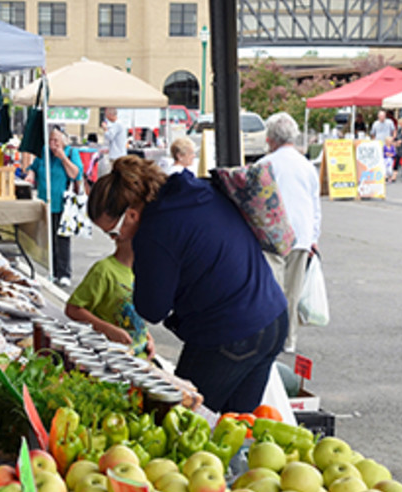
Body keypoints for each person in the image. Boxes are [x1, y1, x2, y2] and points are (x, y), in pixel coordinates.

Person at [86, 156, 287, 413]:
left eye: (114, 233)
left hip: (229, 334)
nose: (117, 240)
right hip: (273, 319)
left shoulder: (154, 231)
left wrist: (140, 260)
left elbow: (152, 308)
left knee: (178, 416)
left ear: (132, 215)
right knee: (236, 427)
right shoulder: (197, 191)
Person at [258, 112, 321, 354]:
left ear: (271, 138)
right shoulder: (307, 166)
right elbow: (315, 205)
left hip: (272, 235)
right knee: (292, 292)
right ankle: (289, 339)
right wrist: (314, 236)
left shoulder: (264, 165)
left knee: (271, 290)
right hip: (302, 234)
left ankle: (269, 338)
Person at [65, 229, 155, 358]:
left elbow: (136, 315)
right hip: (112, 356)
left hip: (141, 356)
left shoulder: (144, 271)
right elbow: (73, 309)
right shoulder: (103, 270)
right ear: (118, 235)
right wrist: (107, 329)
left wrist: (148, 338)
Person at [24, 128, 83, 287]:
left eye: (56, 140)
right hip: (45, 203)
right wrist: (31, 174)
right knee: (49, 238)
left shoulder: (70, 153)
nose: (53, 144)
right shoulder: (44, 152)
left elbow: (76, 174)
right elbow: (34, 166)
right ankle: (54, 271)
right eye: (50, 140)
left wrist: (62, 157)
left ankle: (64, 273)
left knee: (62, 239)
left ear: (63, 141)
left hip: (63, 203)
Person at [101, 107, 127, 173]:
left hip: (116, 155)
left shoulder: (117, 124)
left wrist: (105, 129)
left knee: (115, 175)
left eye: (106, 115)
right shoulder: (119, 123)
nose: (106, 117)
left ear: (110, 114)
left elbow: (110, 136)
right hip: (119, 154)